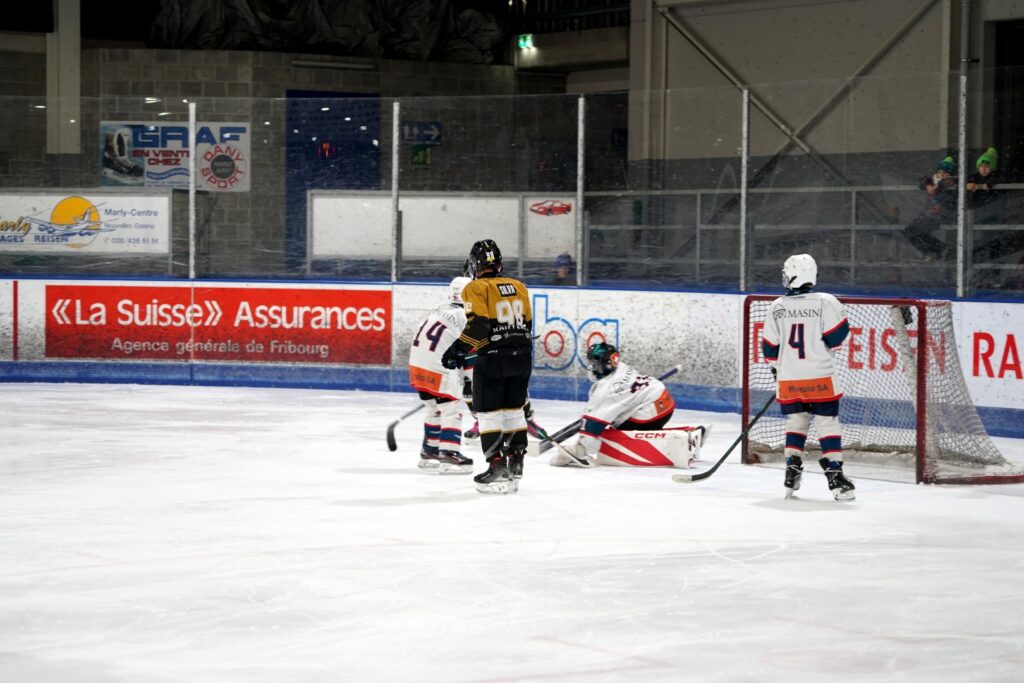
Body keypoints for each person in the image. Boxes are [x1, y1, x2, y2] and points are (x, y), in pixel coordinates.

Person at [441, 239, 534, 494]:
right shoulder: (519, 286)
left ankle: (496, 466)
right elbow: (526, 325)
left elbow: (480, 325)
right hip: (522, 357)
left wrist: (458, 350)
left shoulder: (475, 287)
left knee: (488, 412)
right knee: (514, 409)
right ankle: (516, 461)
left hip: (493, 359)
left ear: (474, 265)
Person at [761, 254, 855, 500]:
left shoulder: (777, 306)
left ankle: (792, 468)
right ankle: (836, 478)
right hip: (820, 376)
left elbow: (770, 348)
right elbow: (837, 339)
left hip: (789, 379)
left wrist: (778, 370)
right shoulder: (826, 302)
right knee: (827, 423)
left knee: (796, 421)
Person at [553, 342, 708, 468]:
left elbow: (595, 423)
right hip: (664, 402)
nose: (592, 367)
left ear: (605, 365)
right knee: (616, 420)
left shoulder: (607, 389)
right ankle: (688, 434)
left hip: (650, 413)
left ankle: (682, 442)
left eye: (594, 363)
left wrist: (580, 450)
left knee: (611, 434)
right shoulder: (620, 367)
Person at [408, 276, 474, 474]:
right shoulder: (466, 317)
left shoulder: (438, 309)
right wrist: (470, 381)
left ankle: (430, 450)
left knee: (433, 407)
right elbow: (469, 354)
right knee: (451, 408)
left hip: (417, 366)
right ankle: (449, 453)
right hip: (438, 366)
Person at [904, 155, 957, 260]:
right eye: (940, 172)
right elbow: (921, 181)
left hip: (941, 216)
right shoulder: (933, 181)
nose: (942, 175)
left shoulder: (951, 185)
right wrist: (928, 185)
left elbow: (950, 201)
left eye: (945, 173)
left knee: (913, 231)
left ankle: (937, 250)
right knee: (910, 232)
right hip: (928, 215)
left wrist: (938, 188)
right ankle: (936, 251)